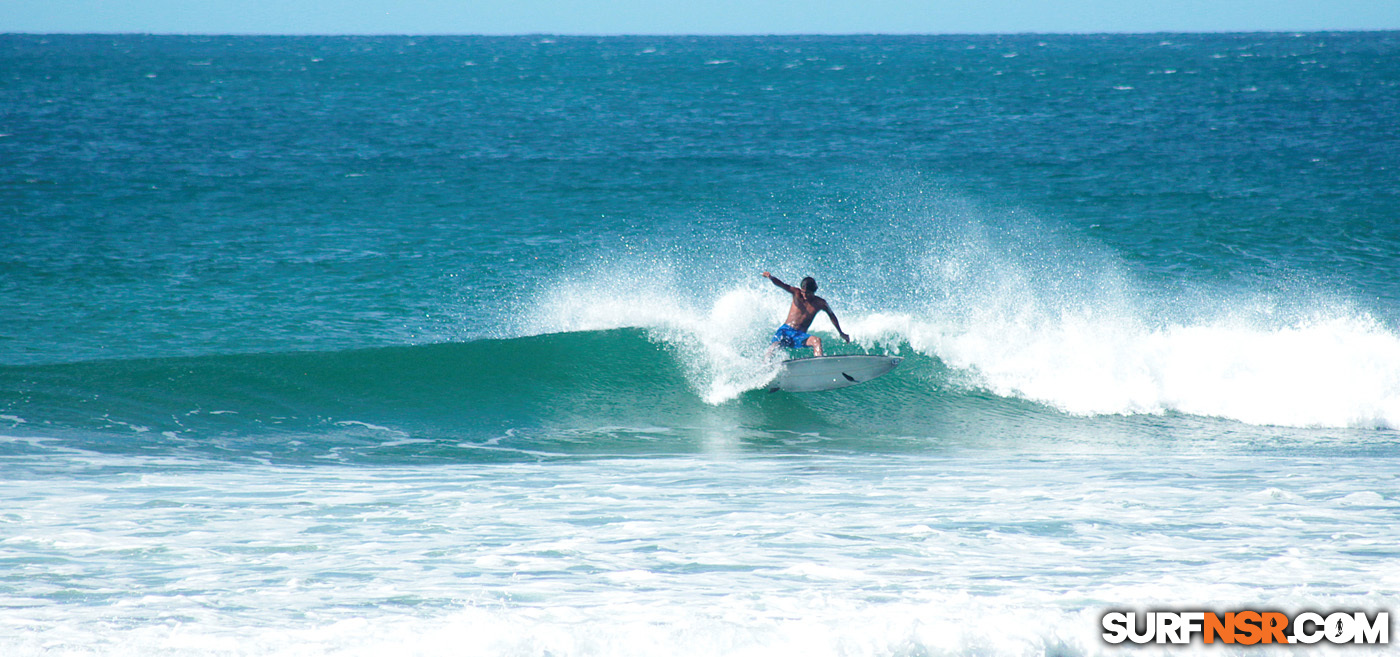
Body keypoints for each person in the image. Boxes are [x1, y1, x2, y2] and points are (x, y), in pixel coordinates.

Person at [762, 271, 850, 357]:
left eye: (807, 293)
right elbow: (782, 284)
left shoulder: (820, 303)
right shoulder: (797, 293)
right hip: (786, 330)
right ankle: (765, 366)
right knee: (774, 346)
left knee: (816, 341)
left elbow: (832, 315)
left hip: (799, 335)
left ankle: (819, 364)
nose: (804, 295)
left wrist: (840, 332)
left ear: (813, 291)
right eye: (803, 292)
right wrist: (771, 277)